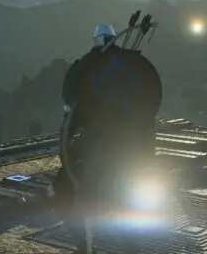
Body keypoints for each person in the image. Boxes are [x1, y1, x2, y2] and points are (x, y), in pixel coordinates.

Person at [54, 22, 163, 252]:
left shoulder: (85, 67)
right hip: (137, 147)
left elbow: (70, 112)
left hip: (100, 148)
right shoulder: (134, 63)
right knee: (128, 199)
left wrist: (68, 154)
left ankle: (84, 246)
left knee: (69, 191)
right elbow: (150, 106)